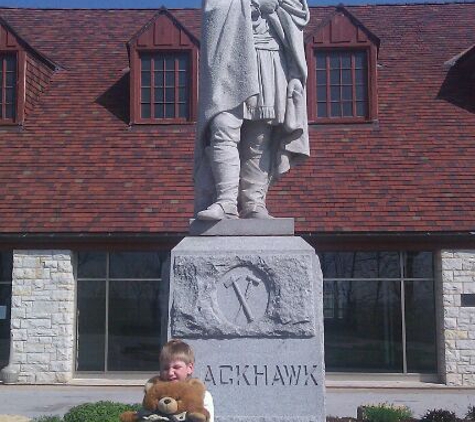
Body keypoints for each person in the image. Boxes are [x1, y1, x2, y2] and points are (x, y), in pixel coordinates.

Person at [194, 0, 310, 220]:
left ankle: (254, 203)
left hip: (270, 56)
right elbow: (214, 8)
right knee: (222, 126)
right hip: (230, 56)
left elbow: (296, 15)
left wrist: (295, 73)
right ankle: (226, 201)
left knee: (259, 137)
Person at [145, 339, 215, 422]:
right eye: (166, 368)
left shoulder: (202, 395)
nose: (170, 373)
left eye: (176, 367)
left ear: (190, 368)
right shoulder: (155, 392)